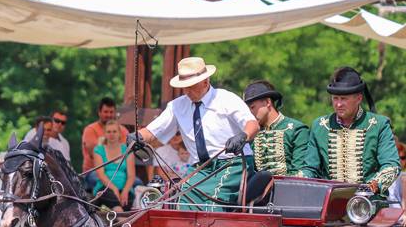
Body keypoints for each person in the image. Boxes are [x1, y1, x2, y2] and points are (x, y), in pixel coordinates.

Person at [134, 57, 259, 211]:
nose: (187, 91)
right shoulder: (177, 106)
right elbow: (152, 132)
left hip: (233, 163)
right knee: (182, 203)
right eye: (184, 87)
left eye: (191, 86)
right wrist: (137, 137)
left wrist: (243, 136)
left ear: (205, 82)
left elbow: (253, 124)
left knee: (213, 203)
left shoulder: (226, 99)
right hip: (200, 167)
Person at [301, 67, 399, 195]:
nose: (338, 104)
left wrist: (374, 185)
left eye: (344, 99)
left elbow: (391, 166)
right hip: (329, 201)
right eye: (335, 98)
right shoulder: (320, 126)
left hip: (369, 200)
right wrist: (296, 180)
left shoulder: (379, 125)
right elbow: (310, 168)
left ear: (359, 98)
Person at [243, 80, 308, 176]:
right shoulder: (252, 134)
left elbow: (300, 171)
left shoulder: (297, 130)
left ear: (268, 102)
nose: (250, 113)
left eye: (252, 107)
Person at [82, 97, 128, 186]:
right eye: (106, 112)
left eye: (111, 112)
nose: (109, 115)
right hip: (93, 171)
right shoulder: (90, 130)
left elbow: (127, 154)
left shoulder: (123, 131)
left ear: (115, 113)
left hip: (118, 172)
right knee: (102, 182)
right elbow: (93, 153)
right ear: (99, 112)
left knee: (137, 183)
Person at [92, 119, 135, 211]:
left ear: (119, 133)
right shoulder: (98, 150)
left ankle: (119, 214)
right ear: (104, 134)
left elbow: (131, 175)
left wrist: (125, 191)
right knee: (117, 207)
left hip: (125, 189)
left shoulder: (127, 150)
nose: (112, 134)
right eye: (109, 132)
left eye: (114, 131)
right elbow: (101, 175)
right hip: (105, 188)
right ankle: (120, 216)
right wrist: (114, 189)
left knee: (127, 202)